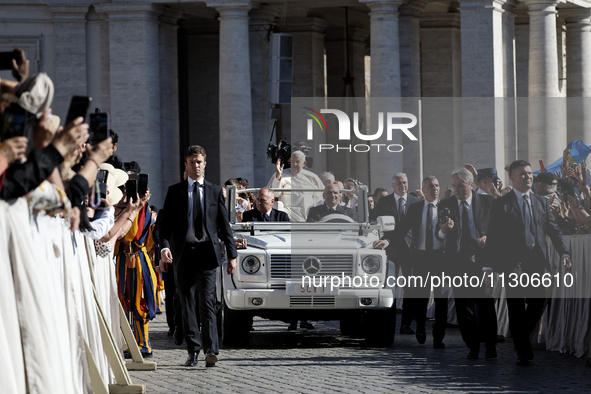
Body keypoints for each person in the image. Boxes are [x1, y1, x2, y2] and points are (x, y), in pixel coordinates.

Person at [485, 160, 571, 366]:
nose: (528, 177)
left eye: (530, 173)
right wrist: (488, 266)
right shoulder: (501, 203)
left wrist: (564, 252)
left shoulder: (541, 202)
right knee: (515, 306)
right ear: (512, 178)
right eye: (522, 174)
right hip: (512, 262)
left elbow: (553, 230)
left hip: (537, 262)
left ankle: (520, 336)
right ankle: (523, 351)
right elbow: (493, 236)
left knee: (539, 301)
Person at [159, 145, 237, 368]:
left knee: (208, 303)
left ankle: (211, 351)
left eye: (199, 162)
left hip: (207, 255)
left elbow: (224, 224)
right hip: (183, 256)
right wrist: (164, 249)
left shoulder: (214, 191)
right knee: (187, 304)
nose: (196, 165)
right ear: (186, 164)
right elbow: (164, 227)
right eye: (192, 162)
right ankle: (193, 351)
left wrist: (232, 254)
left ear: (205, 164)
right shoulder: (175, 192)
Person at [438, 167, 497, 359]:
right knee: (463, 306)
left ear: (471, 185)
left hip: (483, 260)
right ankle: (472, 346)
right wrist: (444, 230)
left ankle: (490, 345)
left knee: (485, 302)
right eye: (454, 186)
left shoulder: (488, 202)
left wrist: (489, 237)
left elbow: (500, 230)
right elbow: (438, 234)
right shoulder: (445, 204)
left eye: (461, 186)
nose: (456, 190)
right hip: (458, 260)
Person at [385, 176, 448, 347]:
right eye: (430, 186)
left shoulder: (446, 207)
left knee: (441, 298)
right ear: (423, 189)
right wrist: (388, 241)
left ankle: (438, 336)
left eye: (437, 185)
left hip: (440, 257)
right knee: (421, 296)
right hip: (420, 257)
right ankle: (420, 326)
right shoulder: (415, 208)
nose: (434, 189)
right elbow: (402, 231)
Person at [374, 173, 420, 335]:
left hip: (410, 249)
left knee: (411, 288)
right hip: (390, 249)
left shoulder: (416, 201)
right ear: (393, 185)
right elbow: (377, 224)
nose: (403, 186)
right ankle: (387, 322)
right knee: (388, 286)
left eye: (405, 182)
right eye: (399, 183)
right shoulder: (385, 202)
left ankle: (406, 324)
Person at [266, 150, 323, 222]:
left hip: (307, 214)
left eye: (297, 162)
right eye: (292, 161)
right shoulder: (282, 174)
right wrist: (278, 177)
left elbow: (319, 198)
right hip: (288, 213)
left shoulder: (312, 177)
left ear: (304, 163)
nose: (294, 164)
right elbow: (275, 194)